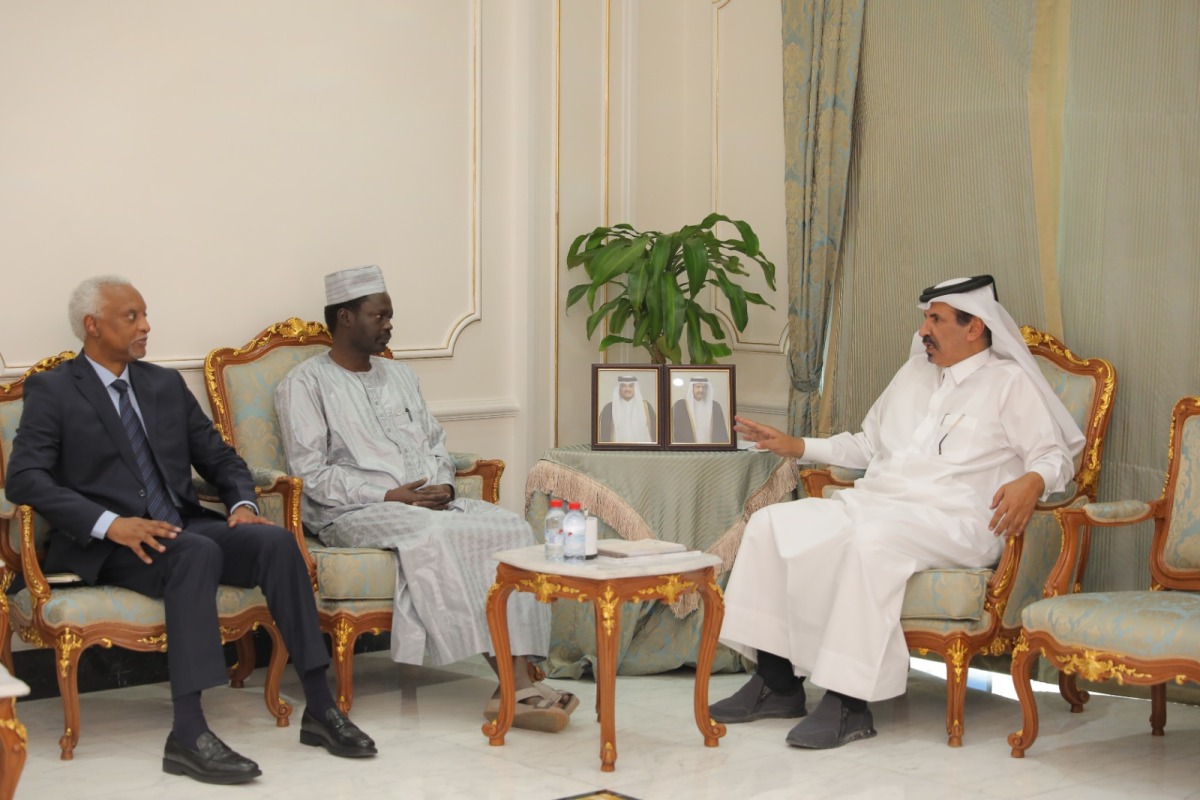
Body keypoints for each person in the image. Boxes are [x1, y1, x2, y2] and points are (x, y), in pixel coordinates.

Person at [6, 276, 376, 786]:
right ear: (93, 326)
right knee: (193, 553)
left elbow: (220, 457)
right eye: (130, 317)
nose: (146, 326)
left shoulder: (162, 385)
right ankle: (189, 731)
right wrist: (112, 525)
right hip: (106, 544)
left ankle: (320, 706)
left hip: (180, 526)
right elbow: (23, 477)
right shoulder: (55, 389)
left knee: (272, 541)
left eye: (145, 314)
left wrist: (243, 503)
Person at [709, 275, 1084, 749]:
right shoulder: (912, 374)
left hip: (957, 520)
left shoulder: (1008, 383)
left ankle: (848, 703)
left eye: (936, 319)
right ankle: (777, 683)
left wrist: (1033, 480)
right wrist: (797, 445)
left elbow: (1055, 457)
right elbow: (867, 444)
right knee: (770, 524)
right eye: (925, 318)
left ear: (975, 328)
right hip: (880, 503)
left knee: (872, 543)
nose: (924, 329)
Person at [274, 265, 579, 733]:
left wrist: (445, 486)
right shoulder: (304, 384)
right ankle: (513, 684)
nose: (389, 325)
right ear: (345, 317)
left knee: (512, 529)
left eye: (390, 315)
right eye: (379, 316)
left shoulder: (400, 376)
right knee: (436, 532)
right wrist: (389, 493)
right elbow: (310, 474)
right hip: (356, 511)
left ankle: (517, 684)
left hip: (430, 502)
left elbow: (436, 443)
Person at [598, 375, 657, 443]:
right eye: (623, 386)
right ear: (619, 388)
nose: (627, 389)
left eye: (631, 386)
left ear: (635, 388)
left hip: (644, 450)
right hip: (616, 451)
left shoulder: (646, 407)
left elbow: (655, 431)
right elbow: (604, 434)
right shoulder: (609, 408)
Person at [671, 376, 728, 444]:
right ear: (692, 388)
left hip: (710, 450)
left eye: (704, 387)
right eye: (698, 387)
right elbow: (673, 429)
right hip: (687, 450)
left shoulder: (715, 406)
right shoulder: (680, 405)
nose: (701, 390)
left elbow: (721, 431)